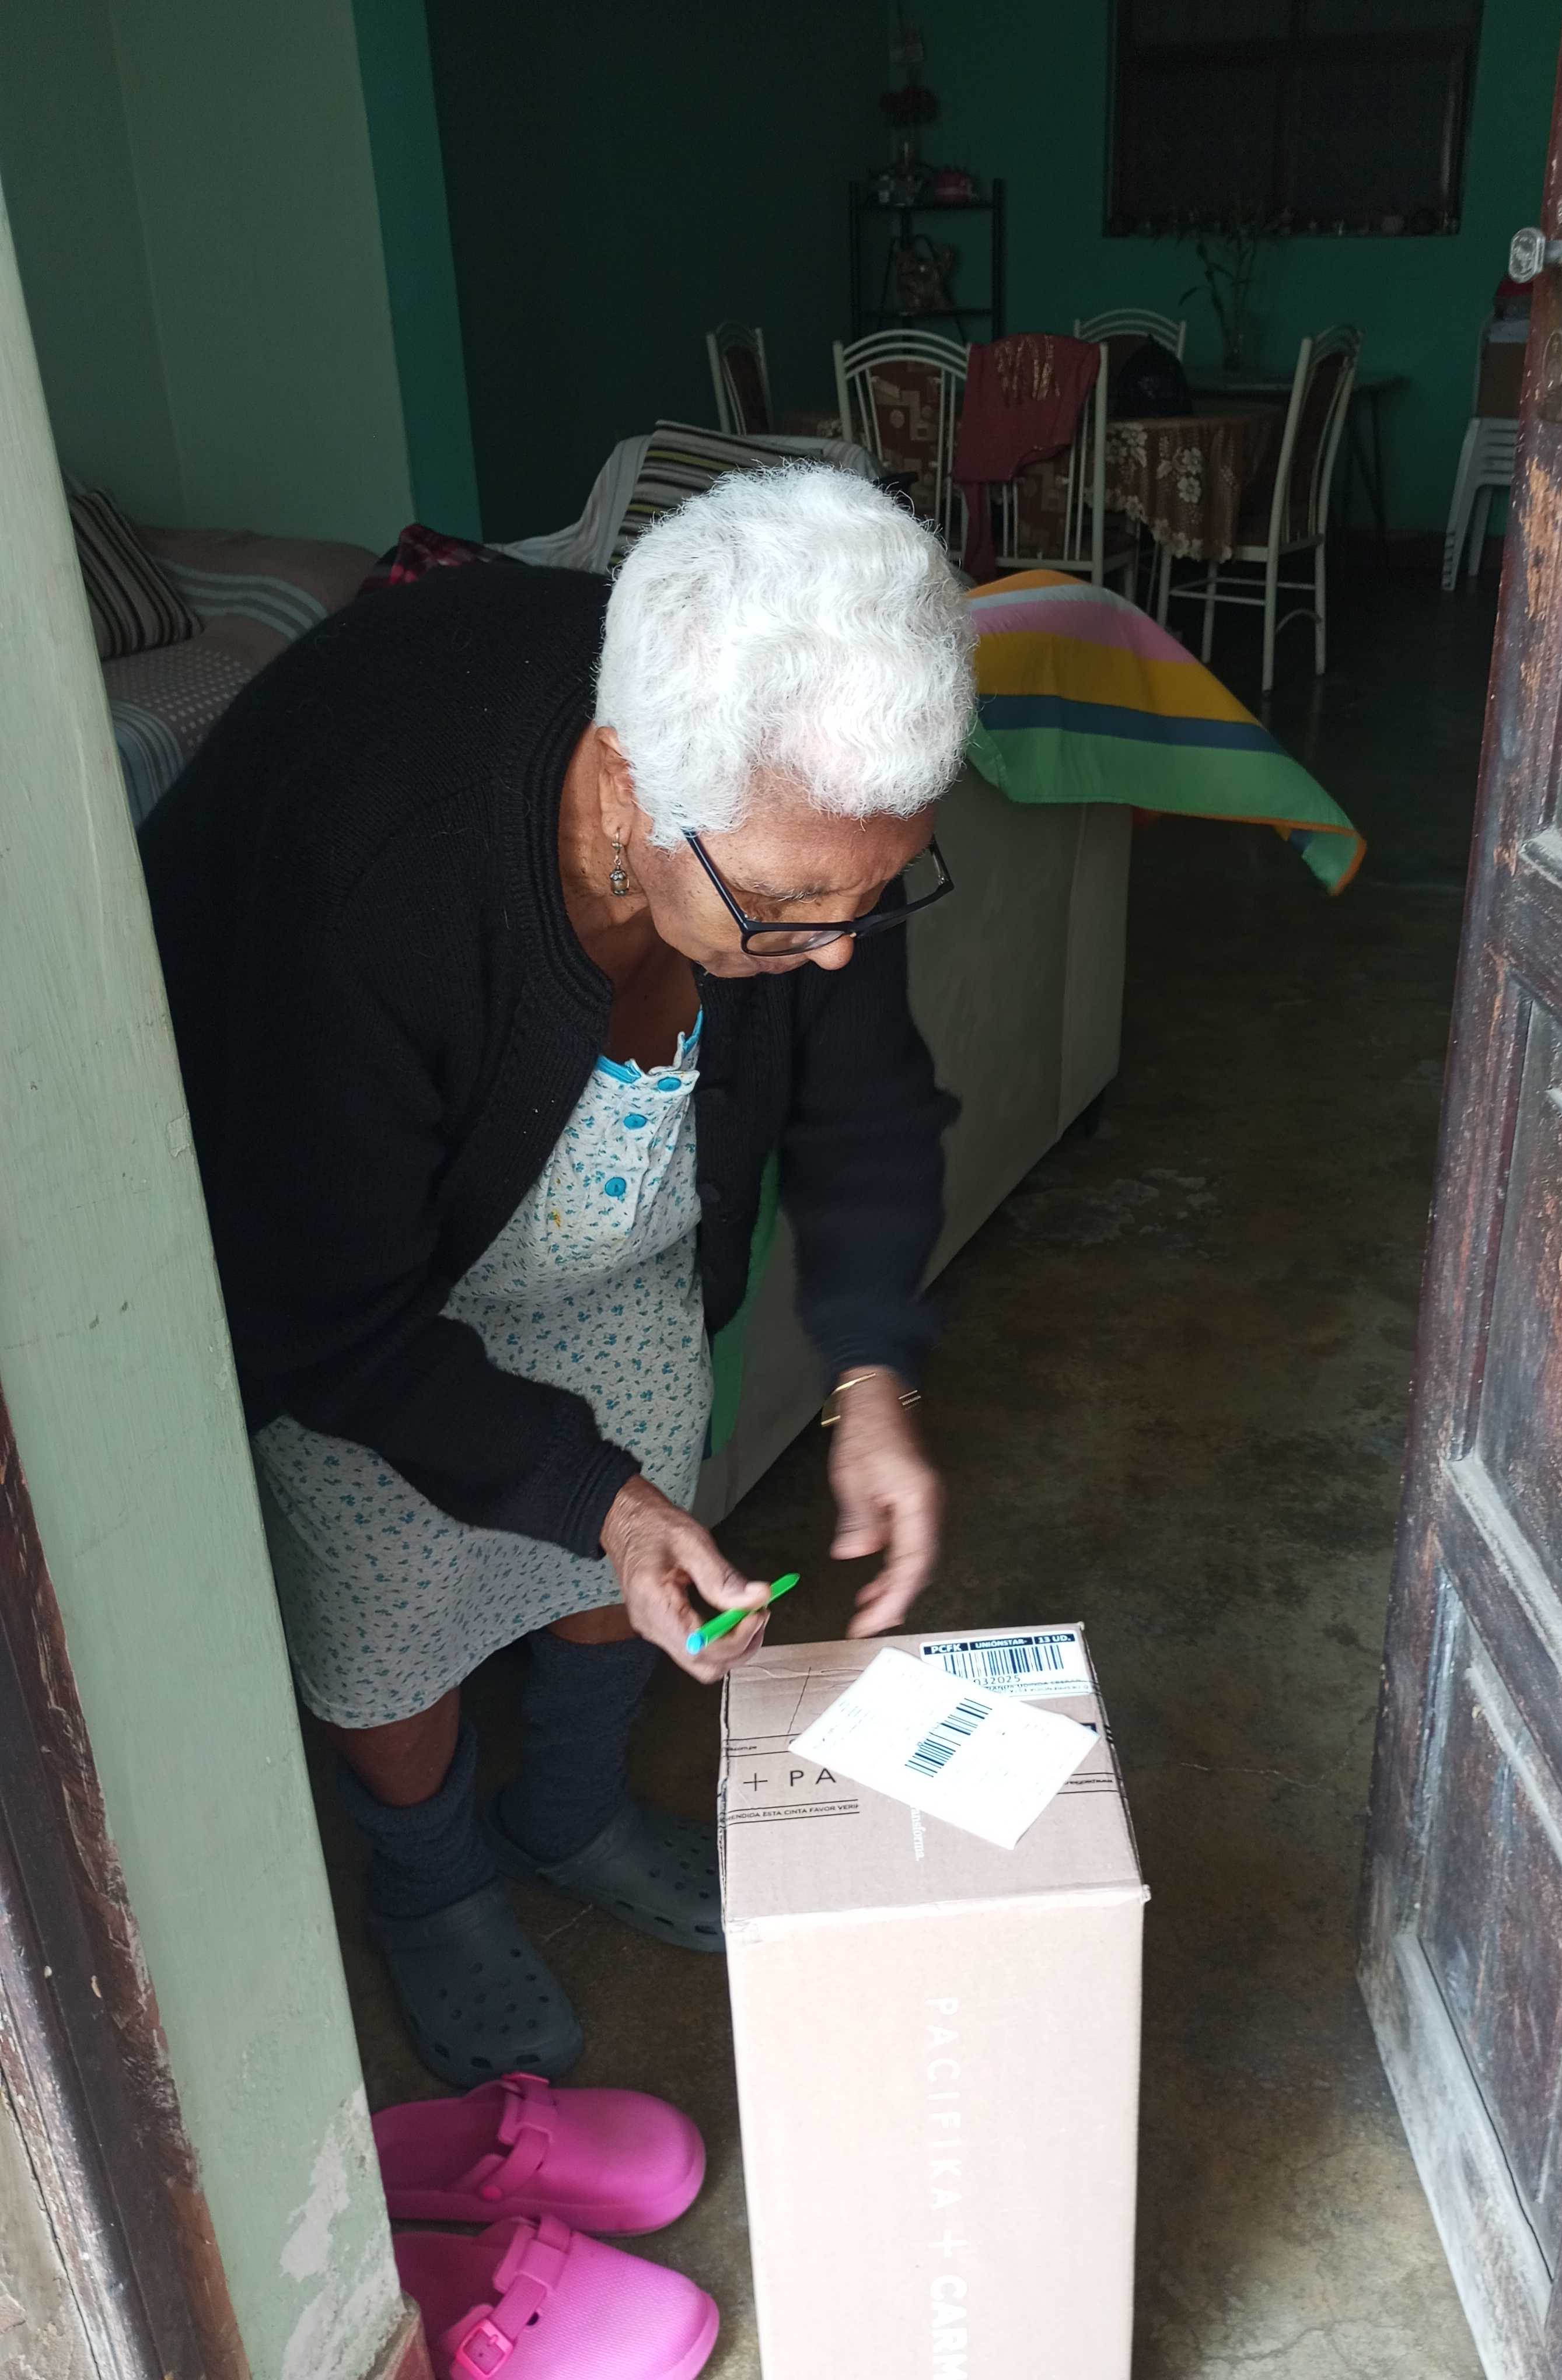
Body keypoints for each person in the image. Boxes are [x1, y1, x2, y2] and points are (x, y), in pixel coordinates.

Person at [141, 466, 975, 2084]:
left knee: (649, 1473)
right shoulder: (379, 871)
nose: (833, 947)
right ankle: (433, 1881)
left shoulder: (808, 824)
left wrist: (872, 1377)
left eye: (876, 896)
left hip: (597, 1215)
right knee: (392, 1590)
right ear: (624, 787)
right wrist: (594, 1499)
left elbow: (866, 1098)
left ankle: (573, 1812)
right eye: (791, 908)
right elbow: (328, 1315)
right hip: (358, 1281)